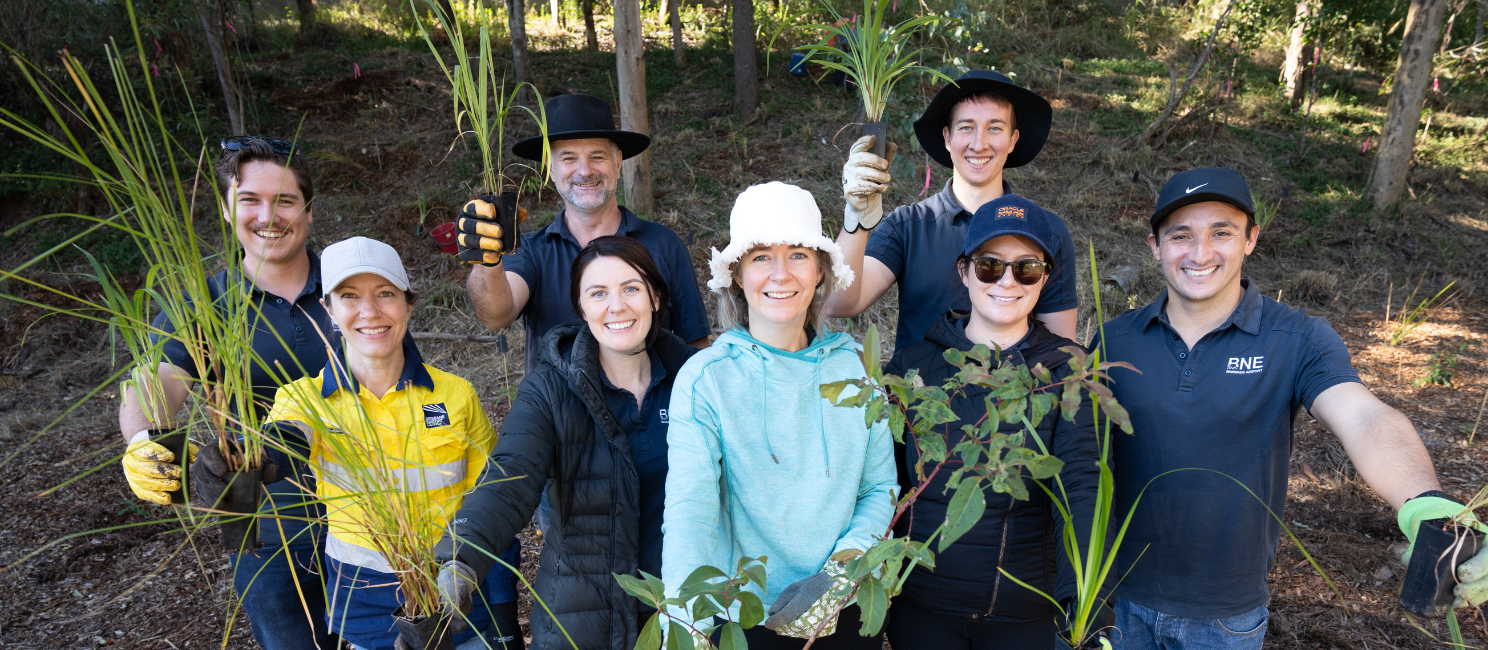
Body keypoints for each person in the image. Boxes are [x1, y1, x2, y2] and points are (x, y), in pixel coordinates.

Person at [1097, 168, 1488, 650]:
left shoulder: (1298, 338)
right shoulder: (1112, 339)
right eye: (1180, 235)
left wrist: (1425, 502)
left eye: (1221, 233)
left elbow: (1362, 416)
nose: (1200, 253)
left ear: (1251, 239)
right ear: (1155, 246)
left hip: (1225, 616)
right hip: (1111, 598)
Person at [118, 136, 338, 650]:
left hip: (377, 501)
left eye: (284, 199)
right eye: (249, 200)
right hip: (257, 518)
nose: (269, 216)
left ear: (308, 210)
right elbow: (156, 381)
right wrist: (145, 439)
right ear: (226, 209)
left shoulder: (352, 282)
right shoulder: (207, 301)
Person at [433, 236, 701, 650]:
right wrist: (461, 555)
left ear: (656, 297)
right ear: (580, 308)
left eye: (631, 288)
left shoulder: (694, 380)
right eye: (598, 293)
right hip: (581, 620)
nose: (616, 306)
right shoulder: (550, 388)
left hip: (683, 614)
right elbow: (510, 475)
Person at [661, 182, 898, 650]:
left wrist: (842, 573)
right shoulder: (707, 378)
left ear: (820, 271)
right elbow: (692, 513)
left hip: (843, 606)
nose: (781, 274)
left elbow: (879, 488)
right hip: (744, 618)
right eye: (761, 256)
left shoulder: (856, 368)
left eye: (798, 254)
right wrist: (683, 626)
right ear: (737, 274)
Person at [258, 237, 523, 650]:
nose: (370, 311)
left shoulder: (456, 395)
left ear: (408, 305)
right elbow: (289, 433)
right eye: (350, 296)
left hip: (458, 598)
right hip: (363, 607)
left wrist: (504, 609)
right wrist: (264, 450)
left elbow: (494, 503)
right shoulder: (304, 400)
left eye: (385, 294)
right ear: (328, 311)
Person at [882, 195, 1108, 650]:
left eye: (1026, 268)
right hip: (921, 611)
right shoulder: (912, 368)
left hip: (1023, 618)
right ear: (964, 272)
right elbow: (884, 483)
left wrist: (1085, 599)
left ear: (1044, 279)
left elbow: (1083, 487)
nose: (1007, 281)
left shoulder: (1069, 373)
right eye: (990, 266)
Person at [455, 92, 711, 376]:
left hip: (650, 414)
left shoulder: (664, 244)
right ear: (550, 169)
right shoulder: (530, 251)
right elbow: (495, 316)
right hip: (557, 417)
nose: (585, 170)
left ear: (617, 162)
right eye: (569, 158)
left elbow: (695, 345)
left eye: (597, 156)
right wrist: (488, 261)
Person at [826, 70, 1079, 353]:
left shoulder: (1047, 231)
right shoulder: (908, 226)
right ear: (947, 137)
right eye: (966, 127)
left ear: (1012, 139)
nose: (979, 143)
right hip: (917, 392)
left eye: (994, 128)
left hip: (1011, 393)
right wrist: (856, 220)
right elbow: (838, 303)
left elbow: (1062, 353)